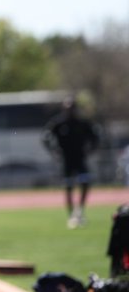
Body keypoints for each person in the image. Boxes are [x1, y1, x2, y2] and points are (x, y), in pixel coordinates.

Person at [43, 97, 100, 228]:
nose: (70, 111)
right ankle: (71, 215)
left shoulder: (82, 123)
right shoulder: (58, 123)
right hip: (66, 160)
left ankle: (80, 210)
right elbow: (45, 137)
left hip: (80, 158)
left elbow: (95, 136)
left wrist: (90, 150)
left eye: (72, 108)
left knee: (85, 183)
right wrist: (54, 150)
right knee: (69, 188)